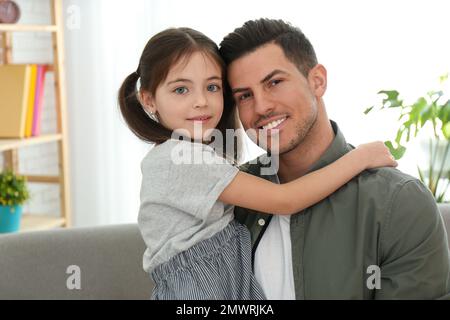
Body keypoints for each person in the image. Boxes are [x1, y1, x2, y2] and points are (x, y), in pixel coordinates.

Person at [118, 27, 397, 300]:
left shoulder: (189, 155)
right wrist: (359, 158)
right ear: (149, 100)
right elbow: (285, 200)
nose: (201, 101)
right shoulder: (179, 158)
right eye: (181, 90)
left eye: (212, 87)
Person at [219, 18, 450, 299]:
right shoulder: (228, 198)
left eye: (275, 82)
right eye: (244, 96)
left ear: (317, 81)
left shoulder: (399, 203)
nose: (262, 106)